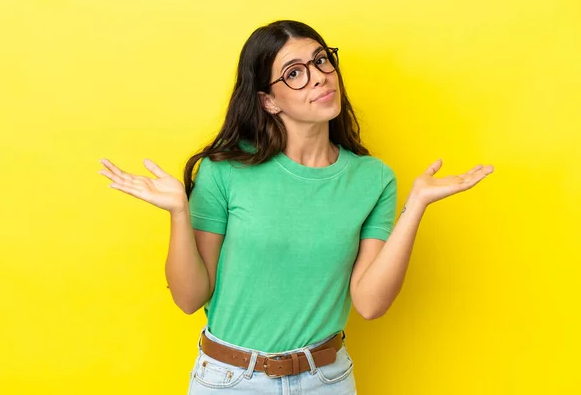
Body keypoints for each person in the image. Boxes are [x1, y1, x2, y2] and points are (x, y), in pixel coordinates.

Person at [98, 20, 494, 394]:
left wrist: (417, 205)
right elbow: (189, 298)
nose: (319, 75)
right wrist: (179, 214)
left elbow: (370, 304)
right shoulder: (225, 172)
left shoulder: (374, 179)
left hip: (327, 380)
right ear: (269, 100)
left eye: (321, 60)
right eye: (294, 72)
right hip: (230, 380)